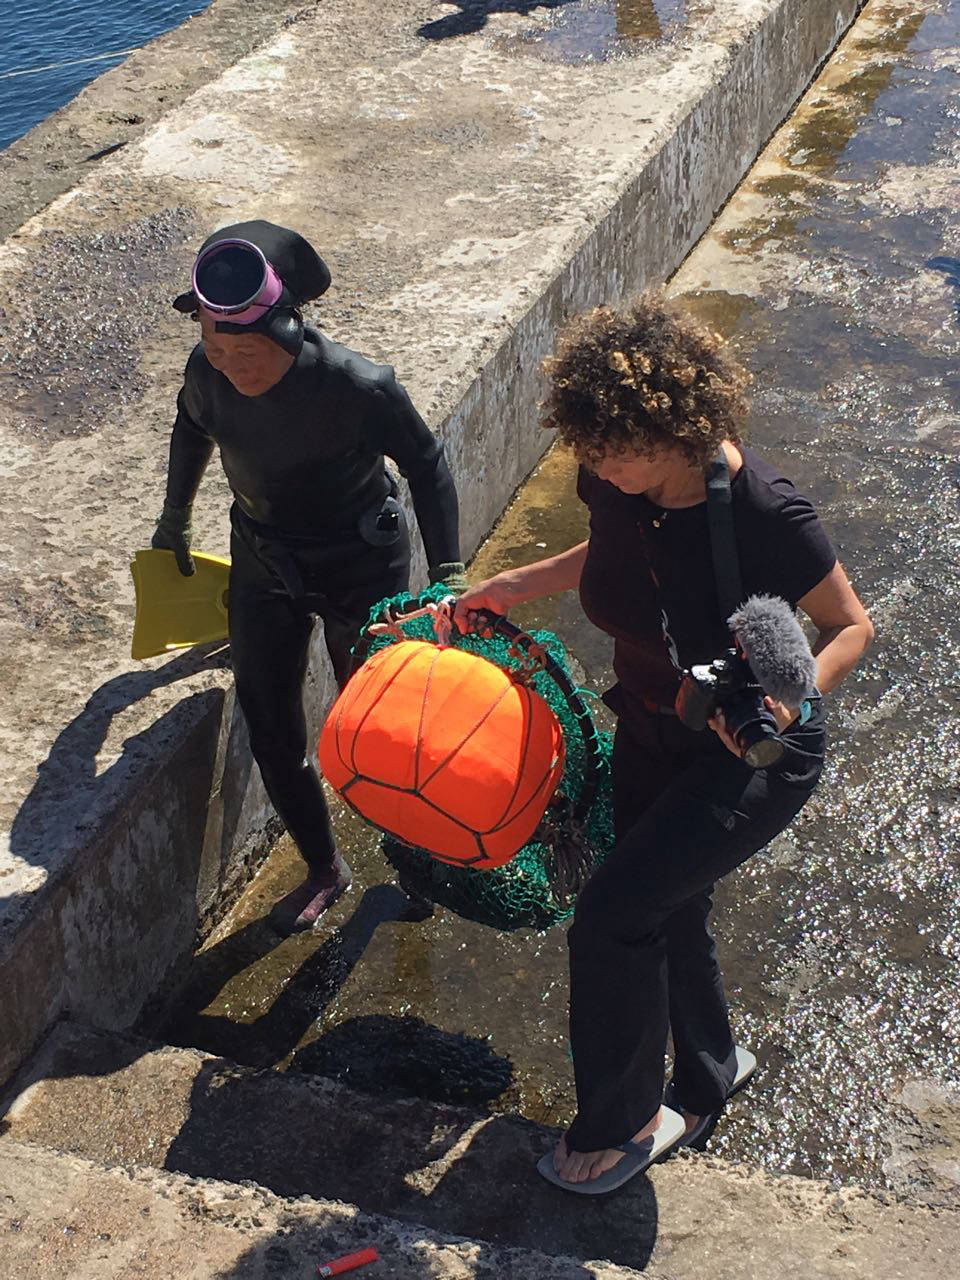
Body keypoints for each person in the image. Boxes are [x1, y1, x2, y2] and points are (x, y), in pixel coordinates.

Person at [454, 296, 873, 1194]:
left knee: (612, 914)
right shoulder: (616, 481)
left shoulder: (767, 509)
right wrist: (509, 585)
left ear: (680, 427)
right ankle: (714, 1071)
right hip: (651, 725)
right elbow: (603, 554)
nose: (598, 467)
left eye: (616, 451)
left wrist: (785, 704)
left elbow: (849, 628)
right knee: (668, 904)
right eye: (589, 449)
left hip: (755, 755)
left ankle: (624, 1122)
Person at [152, 220, 465, 932]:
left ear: (290, 326)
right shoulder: (207, 376)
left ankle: (417, 861)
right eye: (215, 346)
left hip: (360, 560)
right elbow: (192, 428)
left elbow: (426, 463)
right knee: (271, 729)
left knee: (382, 729)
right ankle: (325, 866)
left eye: (248, 350)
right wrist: (174, 519)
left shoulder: (358, 386)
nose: (233, 366)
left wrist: (447, 573)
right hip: (263, 559)